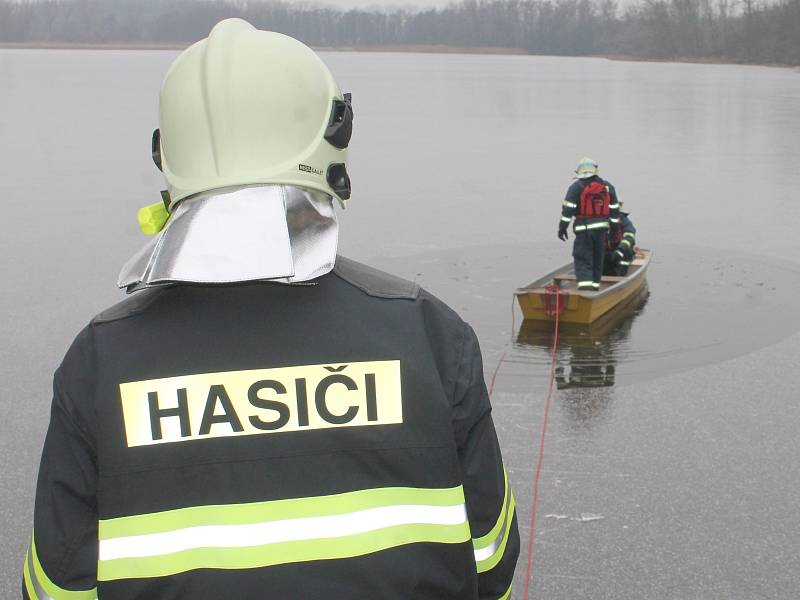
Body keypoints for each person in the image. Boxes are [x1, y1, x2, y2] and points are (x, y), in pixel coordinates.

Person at [22, 19, 519, 600]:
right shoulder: (427, 333)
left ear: (170, 158)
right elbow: (490, 561)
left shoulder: (100, 360)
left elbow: (56, 587)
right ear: (331, 140)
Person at [558, 158, 621, 291]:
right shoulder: (607, 186)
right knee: (597, 260)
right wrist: (614, 230)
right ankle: (595, 289)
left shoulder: (576, 187)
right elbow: (615, 211)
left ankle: (586, 293)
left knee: (583, 259)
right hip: (602, 231)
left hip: (584, 231)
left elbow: (568, 209)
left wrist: (562, 227)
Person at [604, 202, 637, 276]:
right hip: (605, 253)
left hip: (620, 251)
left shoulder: (623, 220)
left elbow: (630, 235)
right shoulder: (599, 219)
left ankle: (620, 275)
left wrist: (620, 249)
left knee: (627, 252)